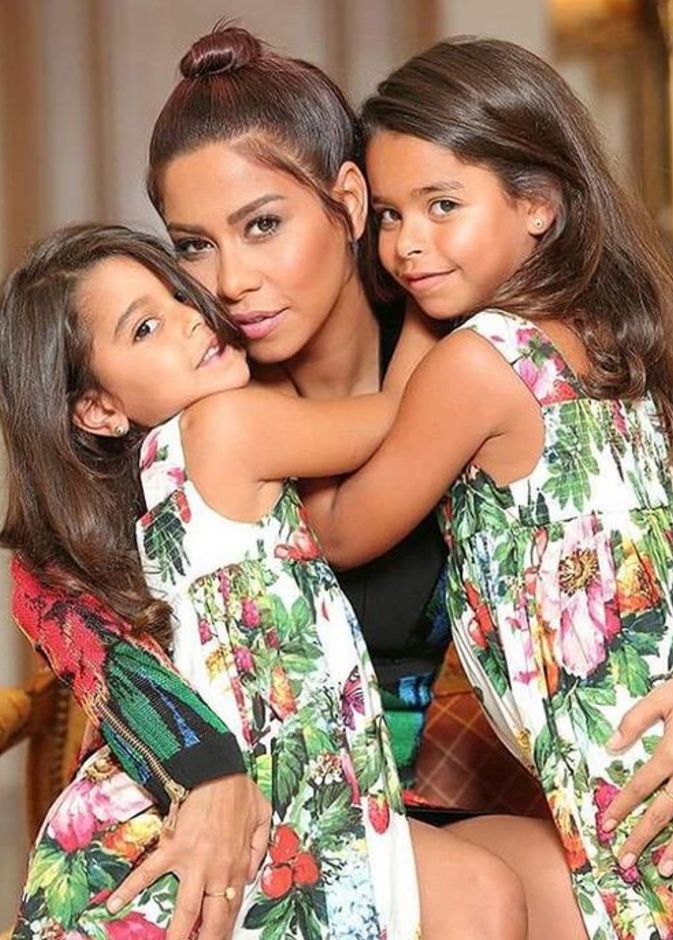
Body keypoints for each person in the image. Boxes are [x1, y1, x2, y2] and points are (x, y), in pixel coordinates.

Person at [8, 22, 586, 940]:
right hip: (270, 794)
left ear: (348, 201)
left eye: (263, 225)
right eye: (192, 245)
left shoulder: (474, 352)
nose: (230, 282)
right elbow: (51, 585)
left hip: (409, 788)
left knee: (582, 898)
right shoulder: (196, 407)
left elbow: (623, 508)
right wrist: (197, 763)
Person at [300, 34, 673, 940]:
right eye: (388, 215)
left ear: (538, 203)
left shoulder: (478, 361)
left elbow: (340, 530)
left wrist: (238, 427)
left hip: (618, 772)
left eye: (442, 205)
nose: (406, 244)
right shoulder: (613, 341)